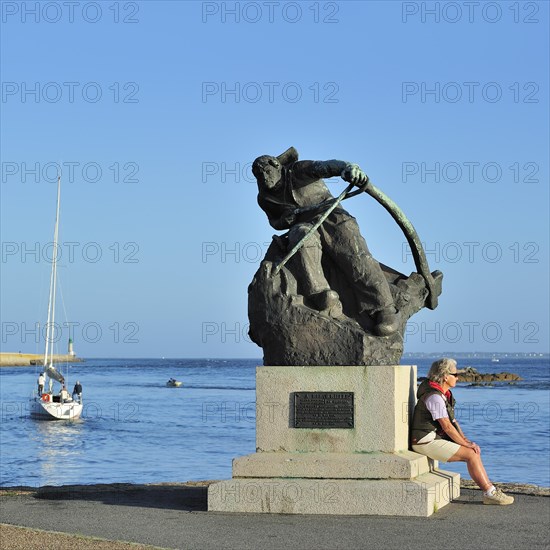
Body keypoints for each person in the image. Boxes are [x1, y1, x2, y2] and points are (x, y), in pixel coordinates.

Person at [252, 146, 399, 336]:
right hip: (304, 225)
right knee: (301, 238)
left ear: (277, 166)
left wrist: (347, 168)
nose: (264, 177)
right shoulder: (264, 197)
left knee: (355, 256)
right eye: (258, 175)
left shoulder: (298, 170)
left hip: (331, 216)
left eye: (266, 171)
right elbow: (275, 222)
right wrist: (284, 220)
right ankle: (320, 294)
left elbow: (327, 167)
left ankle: (384, 309)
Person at [411, 358, 514, 505]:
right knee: (471, 455)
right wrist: (467, 446)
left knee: (473, 451)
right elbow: (446, 426)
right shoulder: (434, 397)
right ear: (445, 376)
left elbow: (453, 422)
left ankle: (490, 490)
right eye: (455, 374)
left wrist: (467, 442)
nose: (458, 378)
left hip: (431, 437)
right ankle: (489, 493)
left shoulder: (442, 395)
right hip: (424, 441)